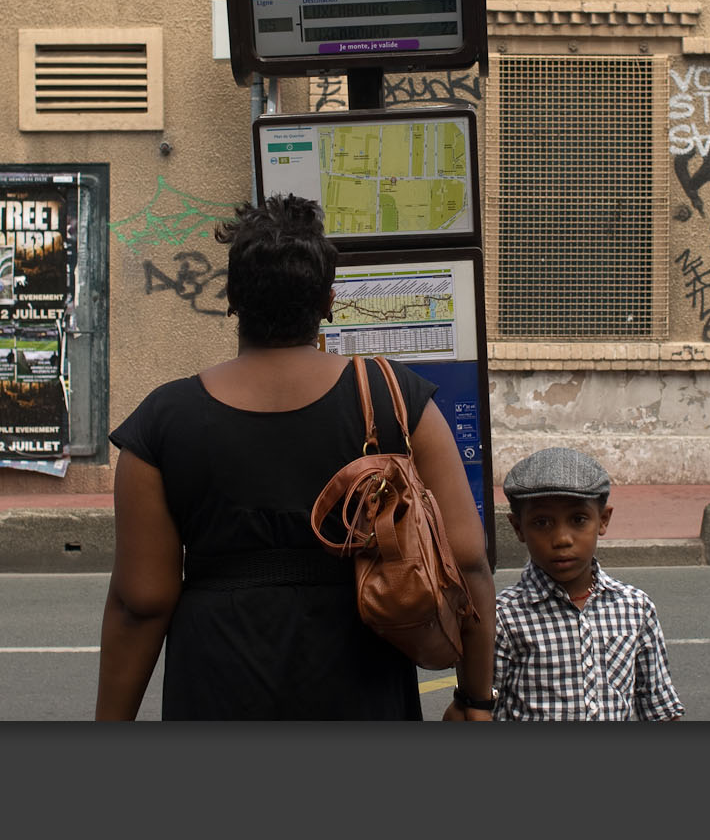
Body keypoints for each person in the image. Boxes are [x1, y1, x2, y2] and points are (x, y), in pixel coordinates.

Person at [94, 194, 496, 720]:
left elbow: (140, 603)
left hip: (215, 686)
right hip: (363, 687)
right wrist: (474, 700)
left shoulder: (162, 421)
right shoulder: (394, 398)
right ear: (328, 301)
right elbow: (468, 561)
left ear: (233, 299)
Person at [484, 446, 684, 721]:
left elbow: (659, 708)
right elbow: (482, 709)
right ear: (518, 528)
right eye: (542, 522)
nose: (562, 538)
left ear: (603, 520)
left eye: (578, 520)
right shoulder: (502, 617)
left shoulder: (635, 608)